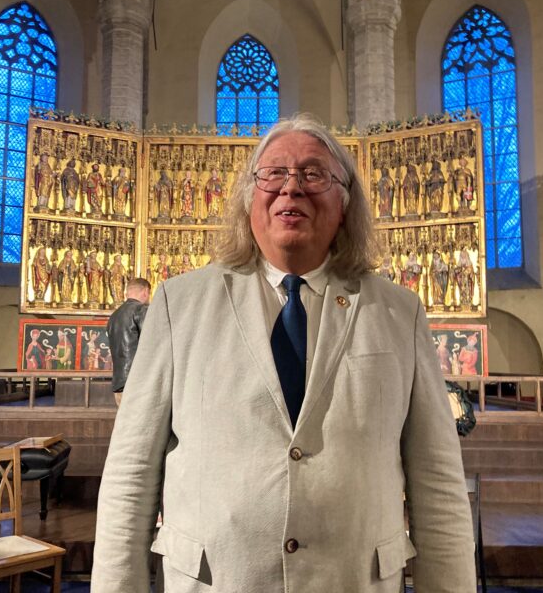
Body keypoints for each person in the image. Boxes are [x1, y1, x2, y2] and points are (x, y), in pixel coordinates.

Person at [92, 115, 476, 592]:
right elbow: (130, 476)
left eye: (313, 174)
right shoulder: (178, 304)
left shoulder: (400, 312)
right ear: (248, 198)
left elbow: (438, 484)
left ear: (345, 202)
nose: (291, 187)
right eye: (273, 173)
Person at [107, 278, 151, 406]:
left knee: (124, 418)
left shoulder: (114, 316)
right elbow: (151, 343)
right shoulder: (142, 310)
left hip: (119, 382)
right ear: (145, 291)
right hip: (138, 381)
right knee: (141, 418)